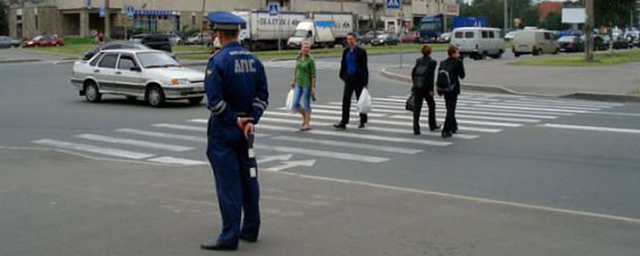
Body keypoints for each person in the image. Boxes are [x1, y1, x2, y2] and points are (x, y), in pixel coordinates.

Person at [201, 11, 269, 251]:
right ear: (238, 33)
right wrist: (251, 119)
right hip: (247, 131)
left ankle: (229, 236)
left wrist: (234, 119)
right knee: (249, 179)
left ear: (219, 34)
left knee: (228, 184)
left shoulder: (218, 61)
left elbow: (214, 101)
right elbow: (262, 96)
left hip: (224, 131)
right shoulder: (254, 60)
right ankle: (250, 229)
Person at [334, 32, 369, 129]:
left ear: (355, 40)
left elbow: (364, 68)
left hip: (358, 80)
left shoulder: (361, 51)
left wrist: (365, 83)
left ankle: (362, 119)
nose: (349, 41)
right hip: (349, 79)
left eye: (351, 39)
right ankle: (344, 122)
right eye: (348, 39)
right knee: (346, 100)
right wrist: (343, 76)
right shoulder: (346, 51)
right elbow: (343, 64)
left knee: (360, 100)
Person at [411, 45, 439, 135]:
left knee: (417, 107)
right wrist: (431, 89)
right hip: (427, 88)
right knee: (431, 105)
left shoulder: (418, 61)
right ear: (430, 52)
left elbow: (413, 73)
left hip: (418, 87)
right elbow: (431, 77)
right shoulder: (433, 62)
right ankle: (432, 125)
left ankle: (416, 127)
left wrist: (414, 84)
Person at [439, 45, 466, 138]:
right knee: (451, 109)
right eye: (457, 52)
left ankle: (453, 126)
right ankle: (446, 129)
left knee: (449, 107)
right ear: (453, 53)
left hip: (444, 88)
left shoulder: (443, 62)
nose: (459, 54)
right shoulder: (458, 62)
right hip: (453, 88)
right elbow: (462, 75)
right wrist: (461, 62)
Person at [290, 40, 316, 131]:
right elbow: (296, 70)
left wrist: (313, 87)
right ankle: (305, 116)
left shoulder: (310, 60)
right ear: (301, 48)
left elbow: (313, 75)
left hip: (307, 84)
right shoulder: (298, 57)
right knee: (295, 103)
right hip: (299, 83)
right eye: (304, 47)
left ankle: (307, 123)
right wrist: (293, 81)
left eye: (307, 48)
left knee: (306, 103)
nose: (306, 49)